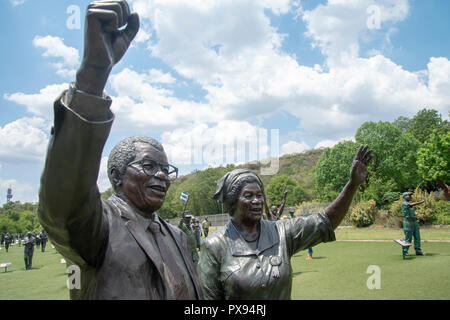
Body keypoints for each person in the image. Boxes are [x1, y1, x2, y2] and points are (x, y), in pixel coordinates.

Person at [38, 0, 202, 300]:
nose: (162, 177)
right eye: (149, 167)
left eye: (166, 170)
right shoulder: (99, 228)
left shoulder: (177, 236)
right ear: (116, 176)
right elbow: (66, 203)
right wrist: (93, 75)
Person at [198, 145, 372, 299]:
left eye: (260, 195)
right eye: (248, 196)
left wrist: (352, 185)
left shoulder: (281, 232)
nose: (257, 201)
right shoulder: (214, 246)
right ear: (232, 202)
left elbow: (325, 221)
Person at [401, 192, 425, 256]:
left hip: (414, 222)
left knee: (417, 237)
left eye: (410, 195)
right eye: (408, 195)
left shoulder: (409, 203)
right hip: (408, 222)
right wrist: (421, 202)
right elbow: (411, 205)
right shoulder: (404, 203)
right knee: (408, 238)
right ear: (404, 197)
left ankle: (418, 250)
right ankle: (405, 251)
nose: (410, 196)